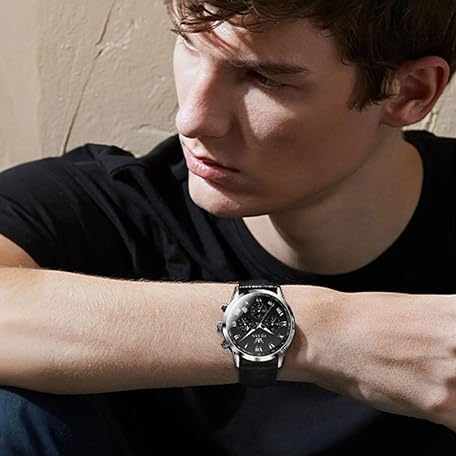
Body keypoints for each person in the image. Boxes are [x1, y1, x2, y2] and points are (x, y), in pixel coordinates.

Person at [0, 0, 456, 454]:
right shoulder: (114, 207)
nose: (192, 119)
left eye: (265, 78)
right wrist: (324, 333)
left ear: (409, 92)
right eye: (188, 44)